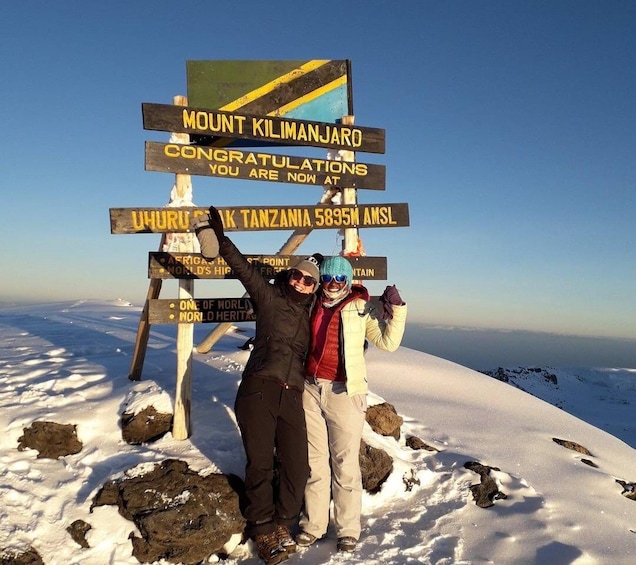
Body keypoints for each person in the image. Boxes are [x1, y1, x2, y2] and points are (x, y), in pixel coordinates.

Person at [194, 206, 321, 565]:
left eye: (308, 281)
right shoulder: (269, 298)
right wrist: (221, 239)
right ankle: (262, 528)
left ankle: (282, 523)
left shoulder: (312, 312)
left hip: (292, 394)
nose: (300, 283)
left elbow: (338, 313)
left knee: (298, 466)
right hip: (259, 389)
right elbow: (244, 271)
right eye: (297, 276)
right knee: (261, 463)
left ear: (314, 287)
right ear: (289, 275)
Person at [296, 255, 407, 553]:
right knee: (315, 462)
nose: (333, 284)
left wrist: (397, 309)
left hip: (344, 393)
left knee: (345, 464)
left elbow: (388, 342)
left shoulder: (361, 308)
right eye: (328, 278)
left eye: (340, 279)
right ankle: (313, 525)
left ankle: (347, 529)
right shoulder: (311, 302)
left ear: (348, 281)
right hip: (309, 388)